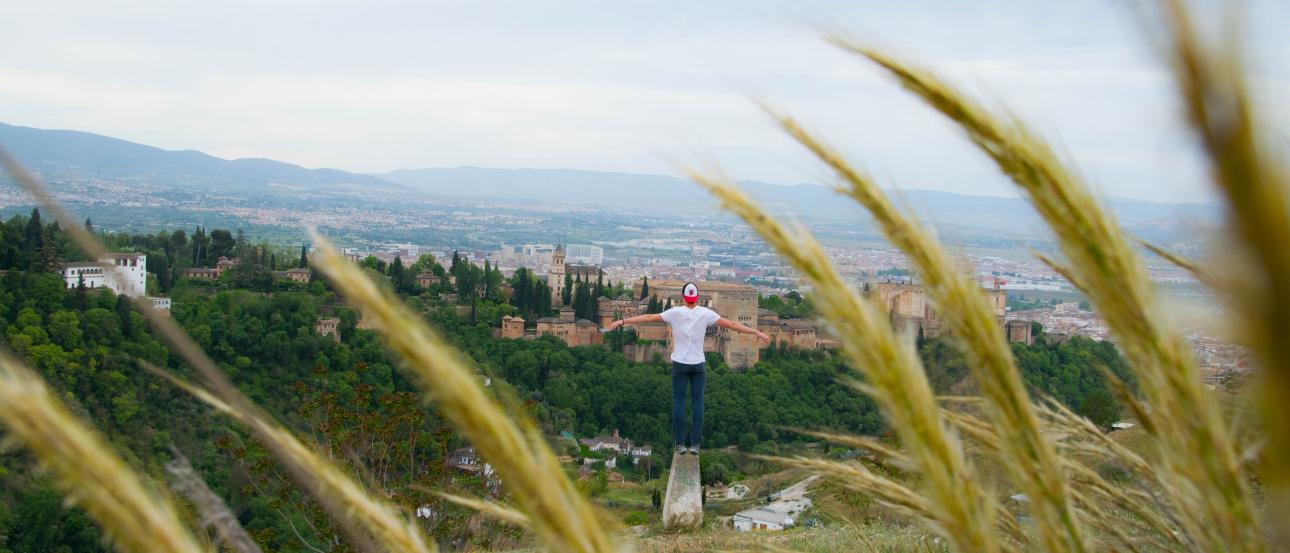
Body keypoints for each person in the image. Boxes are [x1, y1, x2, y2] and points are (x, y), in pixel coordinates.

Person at [607, 282, 769, 455]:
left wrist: (623, 321)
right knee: (698, 403)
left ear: (683, 297)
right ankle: (696, 444)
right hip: (698, 365)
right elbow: (731, 324)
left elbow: (648, 317)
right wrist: (755, 332)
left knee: (679, 403)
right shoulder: (705, 313)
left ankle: (680, 444)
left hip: (680, 364)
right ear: (697, 298)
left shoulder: (675, 312)